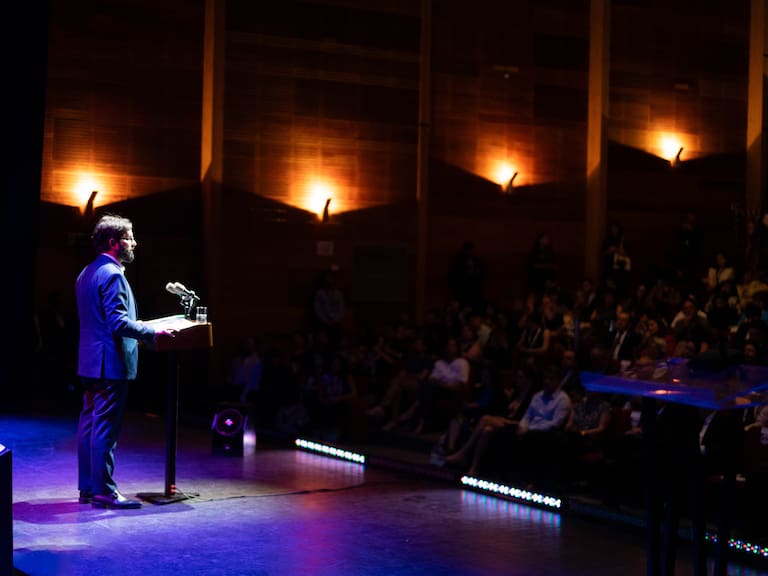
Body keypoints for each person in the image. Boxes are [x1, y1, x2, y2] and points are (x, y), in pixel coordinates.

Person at [75, 214, 173, 509]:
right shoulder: (114, 274)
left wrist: (136, 324)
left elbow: (104, 321)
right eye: (130, 238)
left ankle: (89, 488)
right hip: (110, 364)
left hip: (91, 362)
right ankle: (104, 491)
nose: (135, 243)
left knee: (89, 427)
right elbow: (118, 324)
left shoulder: (87, 272)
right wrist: (151, 330)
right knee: (104, 429)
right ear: (114, 242)